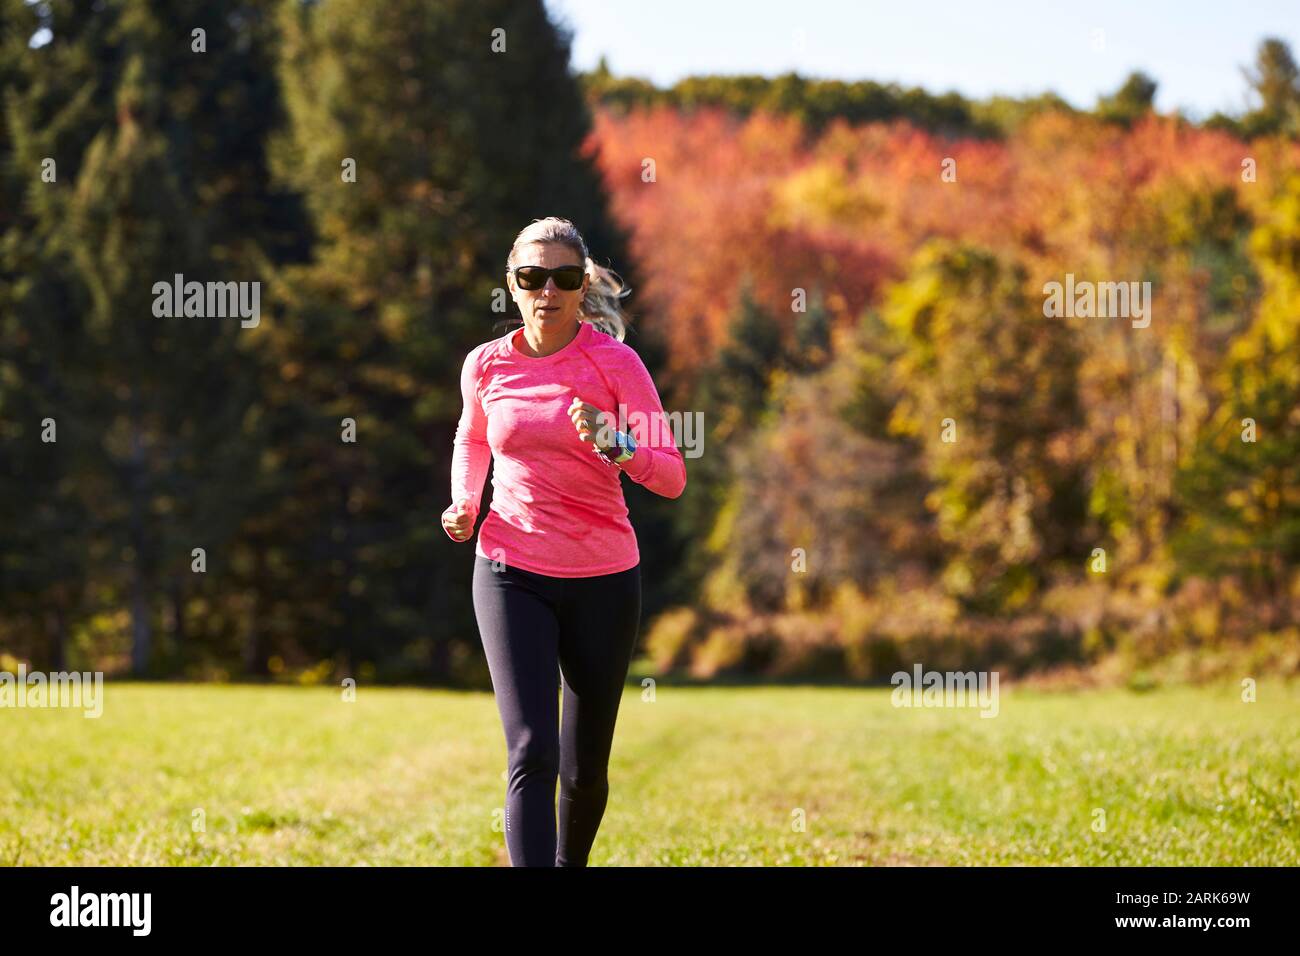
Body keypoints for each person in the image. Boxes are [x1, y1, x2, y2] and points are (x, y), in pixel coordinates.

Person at [443, 216, 686, 866]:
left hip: (603, 579)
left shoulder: (615, 364)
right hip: (508, 567)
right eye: (532, 277)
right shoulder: (485, 365)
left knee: (583, 770)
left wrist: (619, 445)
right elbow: (471, 439)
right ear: (512, 286)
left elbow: (670, 475)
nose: (547, 290)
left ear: (582, 287)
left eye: (564, 277)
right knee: (532, 751)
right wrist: (465, 500)